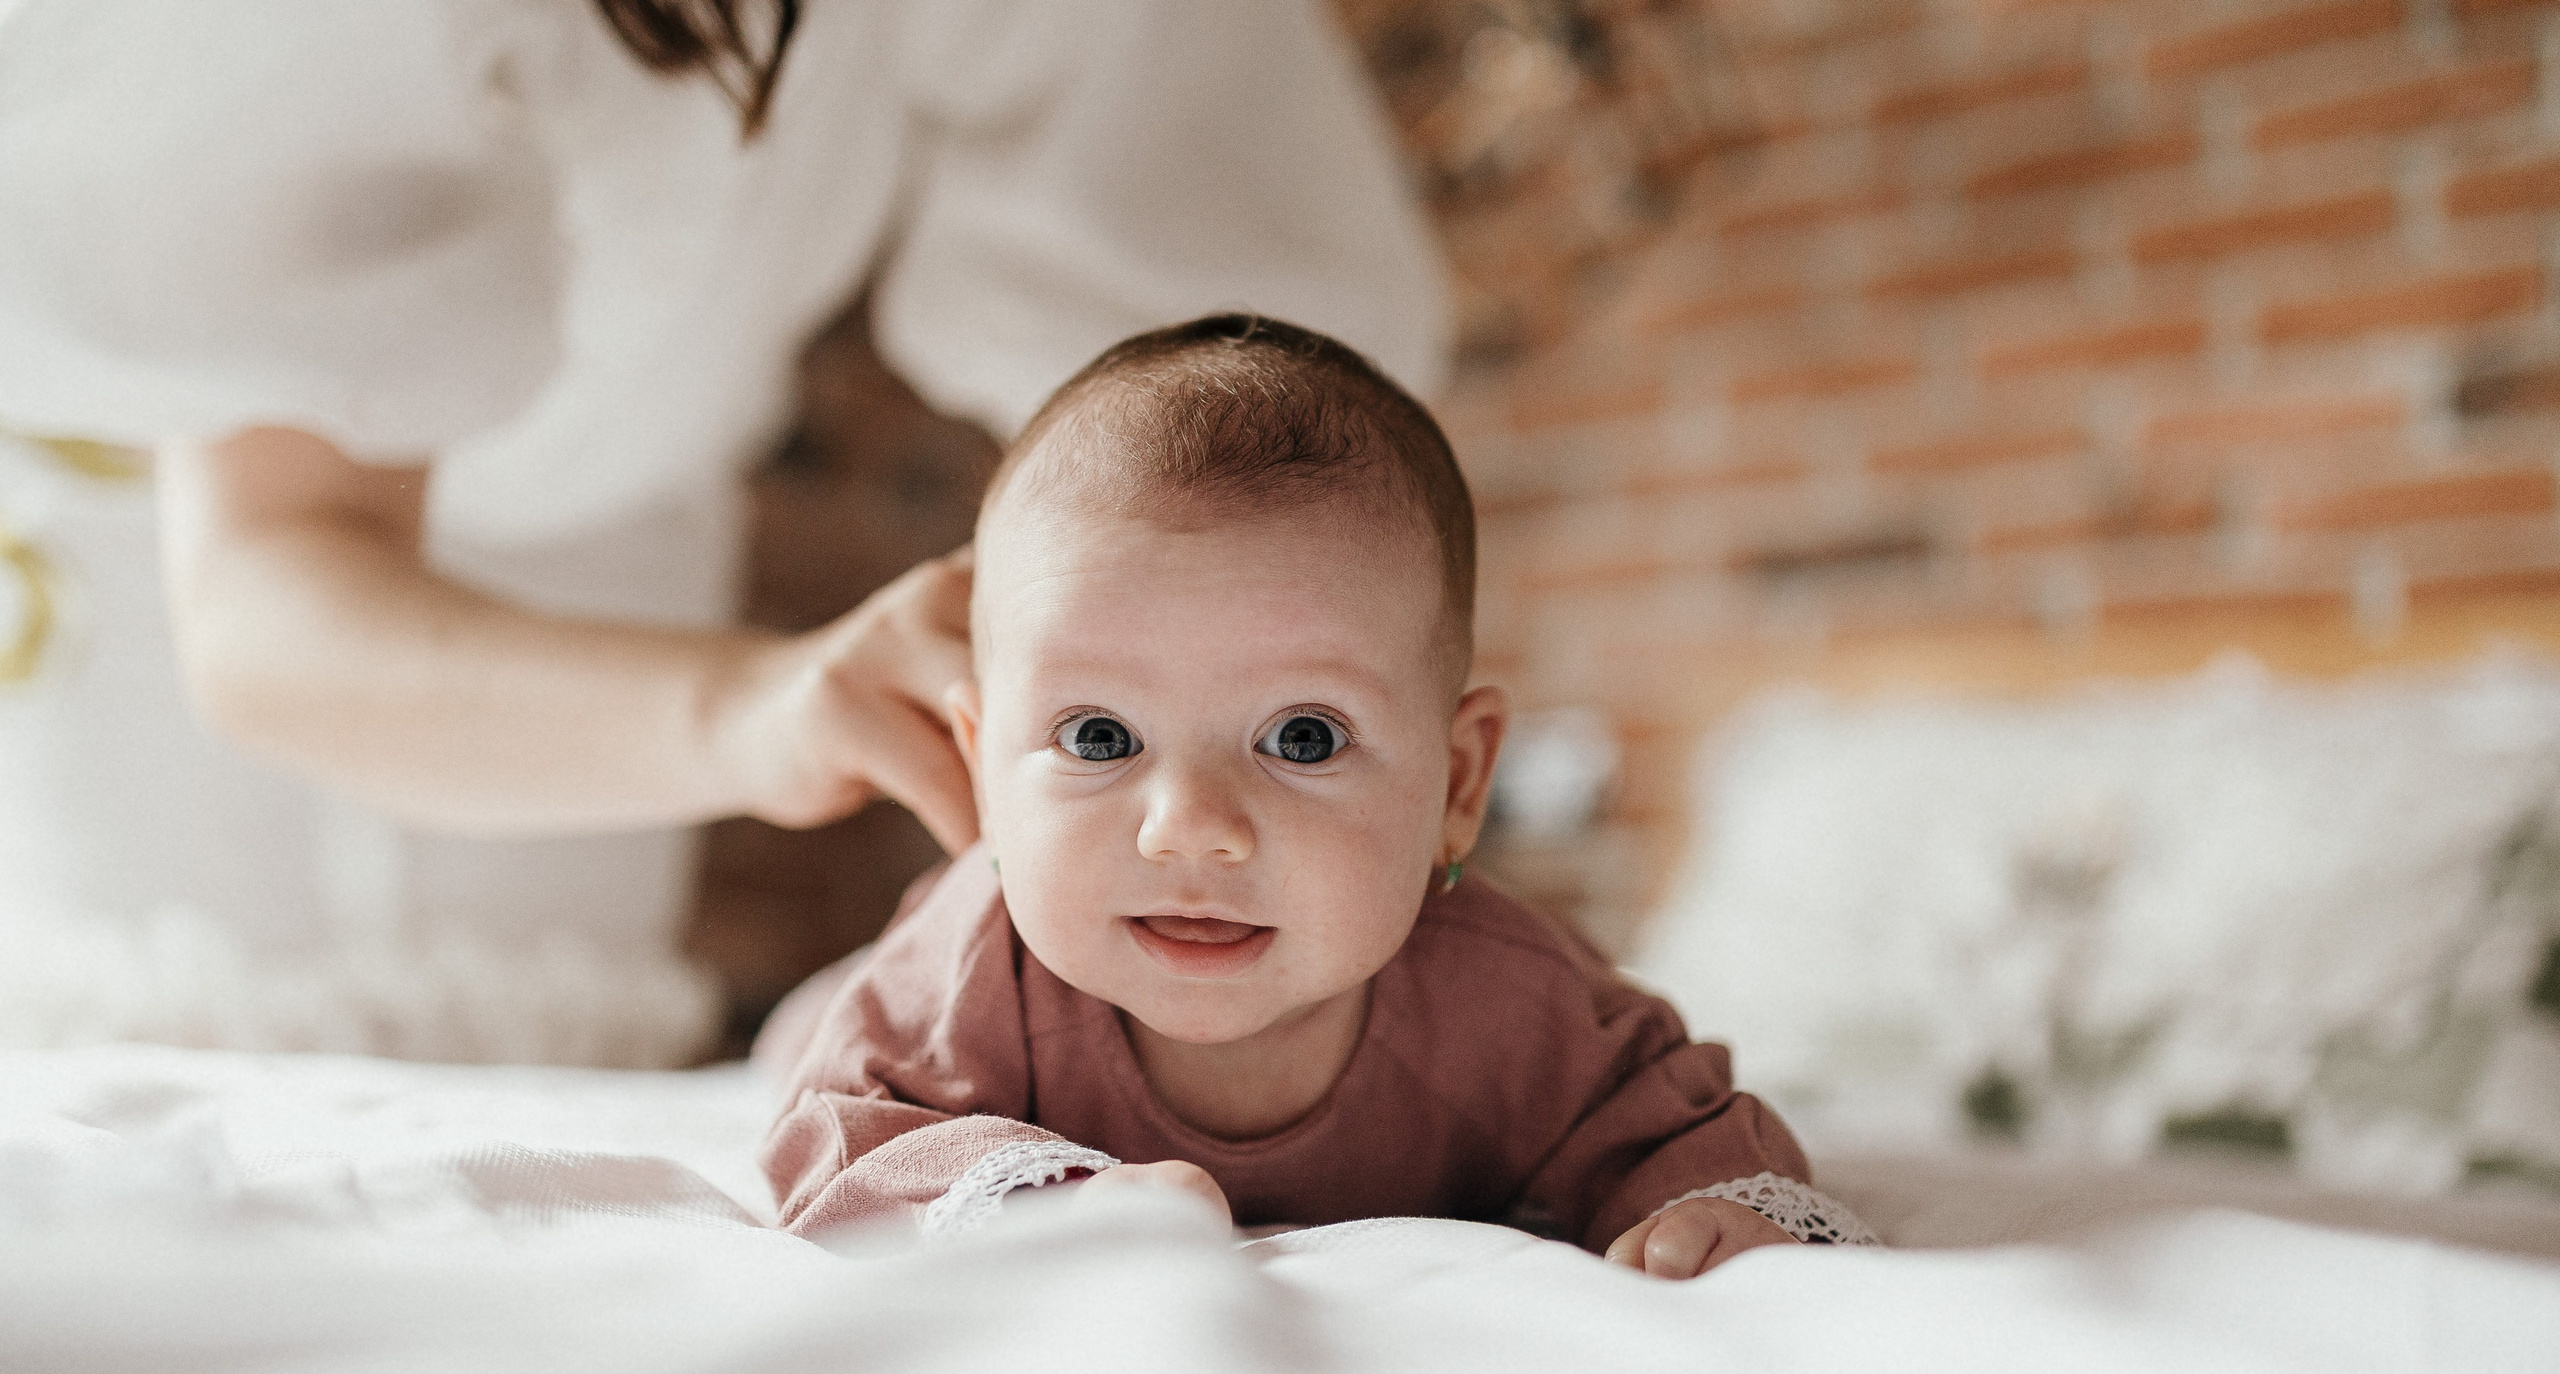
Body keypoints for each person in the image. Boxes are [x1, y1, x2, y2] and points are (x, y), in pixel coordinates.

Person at [0, 0, 1446, 1062]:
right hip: (208, 642)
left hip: (628, 554)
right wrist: (756, 708)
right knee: (211, 1097)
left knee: (547, 1093)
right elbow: (269, 600)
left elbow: (1241, 424)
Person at [762, 316, 1874, 1272]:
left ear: (1459, 781)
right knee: (805, 1036)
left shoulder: (1509, 1000)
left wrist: (1709, 1208)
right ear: (980, 772)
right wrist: (1041, 1205)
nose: (1191, 824)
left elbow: (1674, 1124)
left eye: (1302, 737)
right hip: (843, 1010)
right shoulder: (969, 971)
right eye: (1098, 736)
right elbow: (836, 1140)